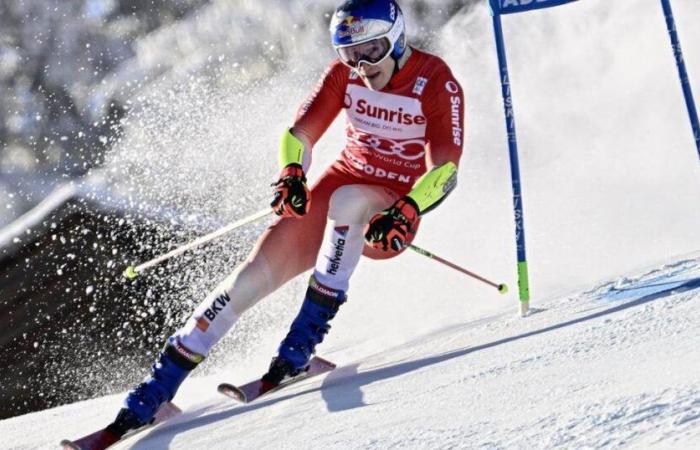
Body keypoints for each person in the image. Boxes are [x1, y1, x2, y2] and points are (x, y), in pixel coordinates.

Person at [107, 0, 464, 438]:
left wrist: (409, 208)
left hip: (388, 212)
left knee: (350, 200)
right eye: (348, 54)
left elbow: (445, 169)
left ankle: (298, 347)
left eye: (370, 50)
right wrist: (292, 173)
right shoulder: (343, 78)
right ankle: (157, 389)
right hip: (337, 192)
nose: (361, 65)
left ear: (396, 37)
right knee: (251, 277)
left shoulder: (435, 80)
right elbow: (300, 134)